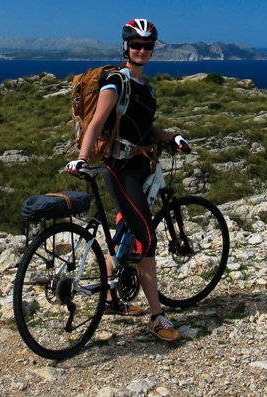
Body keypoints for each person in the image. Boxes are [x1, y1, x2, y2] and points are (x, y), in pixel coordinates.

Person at [65, 18, 191, 342]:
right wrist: (82, 156)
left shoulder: (145, 89)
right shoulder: (116, 83)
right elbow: (95, 123)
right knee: (147, 238)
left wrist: (172, 136)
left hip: (139, 167)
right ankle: (157, 316)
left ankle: (110, 299)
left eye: (147, 46)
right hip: (120, 170)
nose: (141, 50)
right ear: (126, 47)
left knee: (124, 234)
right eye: (136, 45)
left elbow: (143, 131)